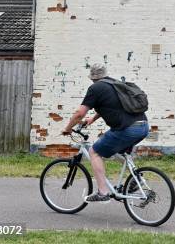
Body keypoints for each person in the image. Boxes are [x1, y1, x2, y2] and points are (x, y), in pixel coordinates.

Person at [62, 63, 149, 202]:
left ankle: (103, 192)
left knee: (94, 152)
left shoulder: (95, 88)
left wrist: (67, 129)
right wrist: (93, 119)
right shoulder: (115, 84)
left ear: (92, 77)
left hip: (128, 129)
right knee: (120, 152)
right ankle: (136, 177)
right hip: (143, 126)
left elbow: (79, 114)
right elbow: (111, 106)